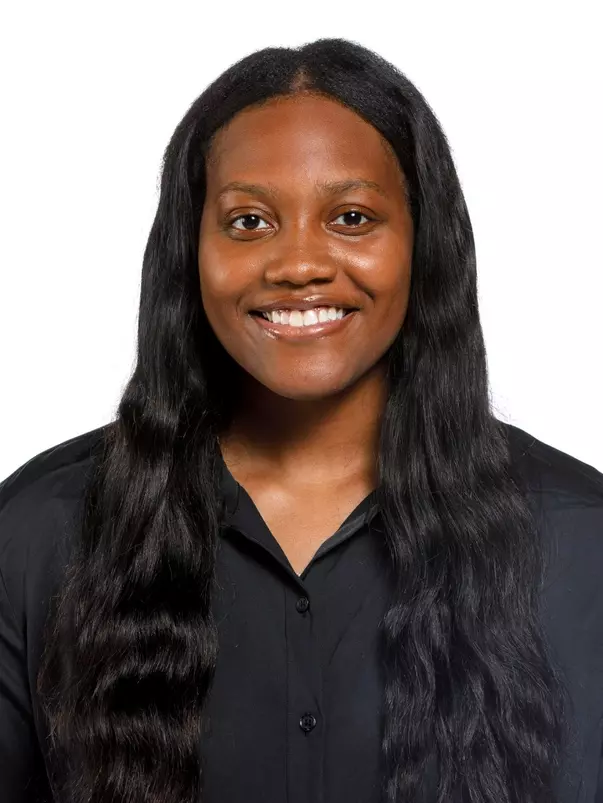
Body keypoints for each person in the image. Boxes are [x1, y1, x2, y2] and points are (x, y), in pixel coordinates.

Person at [1, 37, 602, 803]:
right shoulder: (37, 532)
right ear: (190, 249)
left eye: (350, 216)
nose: (298, 265)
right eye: (249, 221)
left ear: (423, 243)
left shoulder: (581, 539)